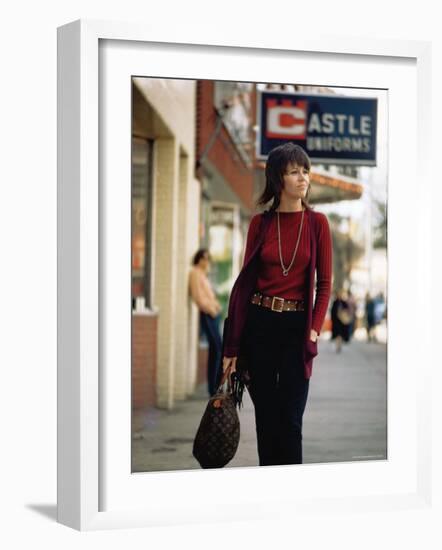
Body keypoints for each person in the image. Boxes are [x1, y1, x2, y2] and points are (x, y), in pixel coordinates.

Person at [221, 142, 332, 466]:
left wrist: (313, 330)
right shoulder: (261, 224)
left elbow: (324, 284)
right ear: (277, 179)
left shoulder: (317, 224)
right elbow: (244, 287)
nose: (303, 178)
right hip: (260, 328)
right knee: (267, 421)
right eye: (294, 171)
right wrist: (233, 347)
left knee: (291, 421)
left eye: (305, 171)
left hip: (296, 329)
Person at [189, 249, 223, 396]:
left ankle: (214, 386)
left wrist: (217, 306)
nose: (206, 261)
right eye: (204, 258)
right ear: (199, 259)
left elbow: (209, 295)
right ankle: (212, 387)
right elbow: (197, 296)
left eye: (208, 258)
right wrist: (211, 309)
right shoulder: (195, 273)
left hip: (213, 314)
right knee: (217, 347)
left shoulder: (203, 274)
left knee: (216, 350)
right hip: (207, 314)